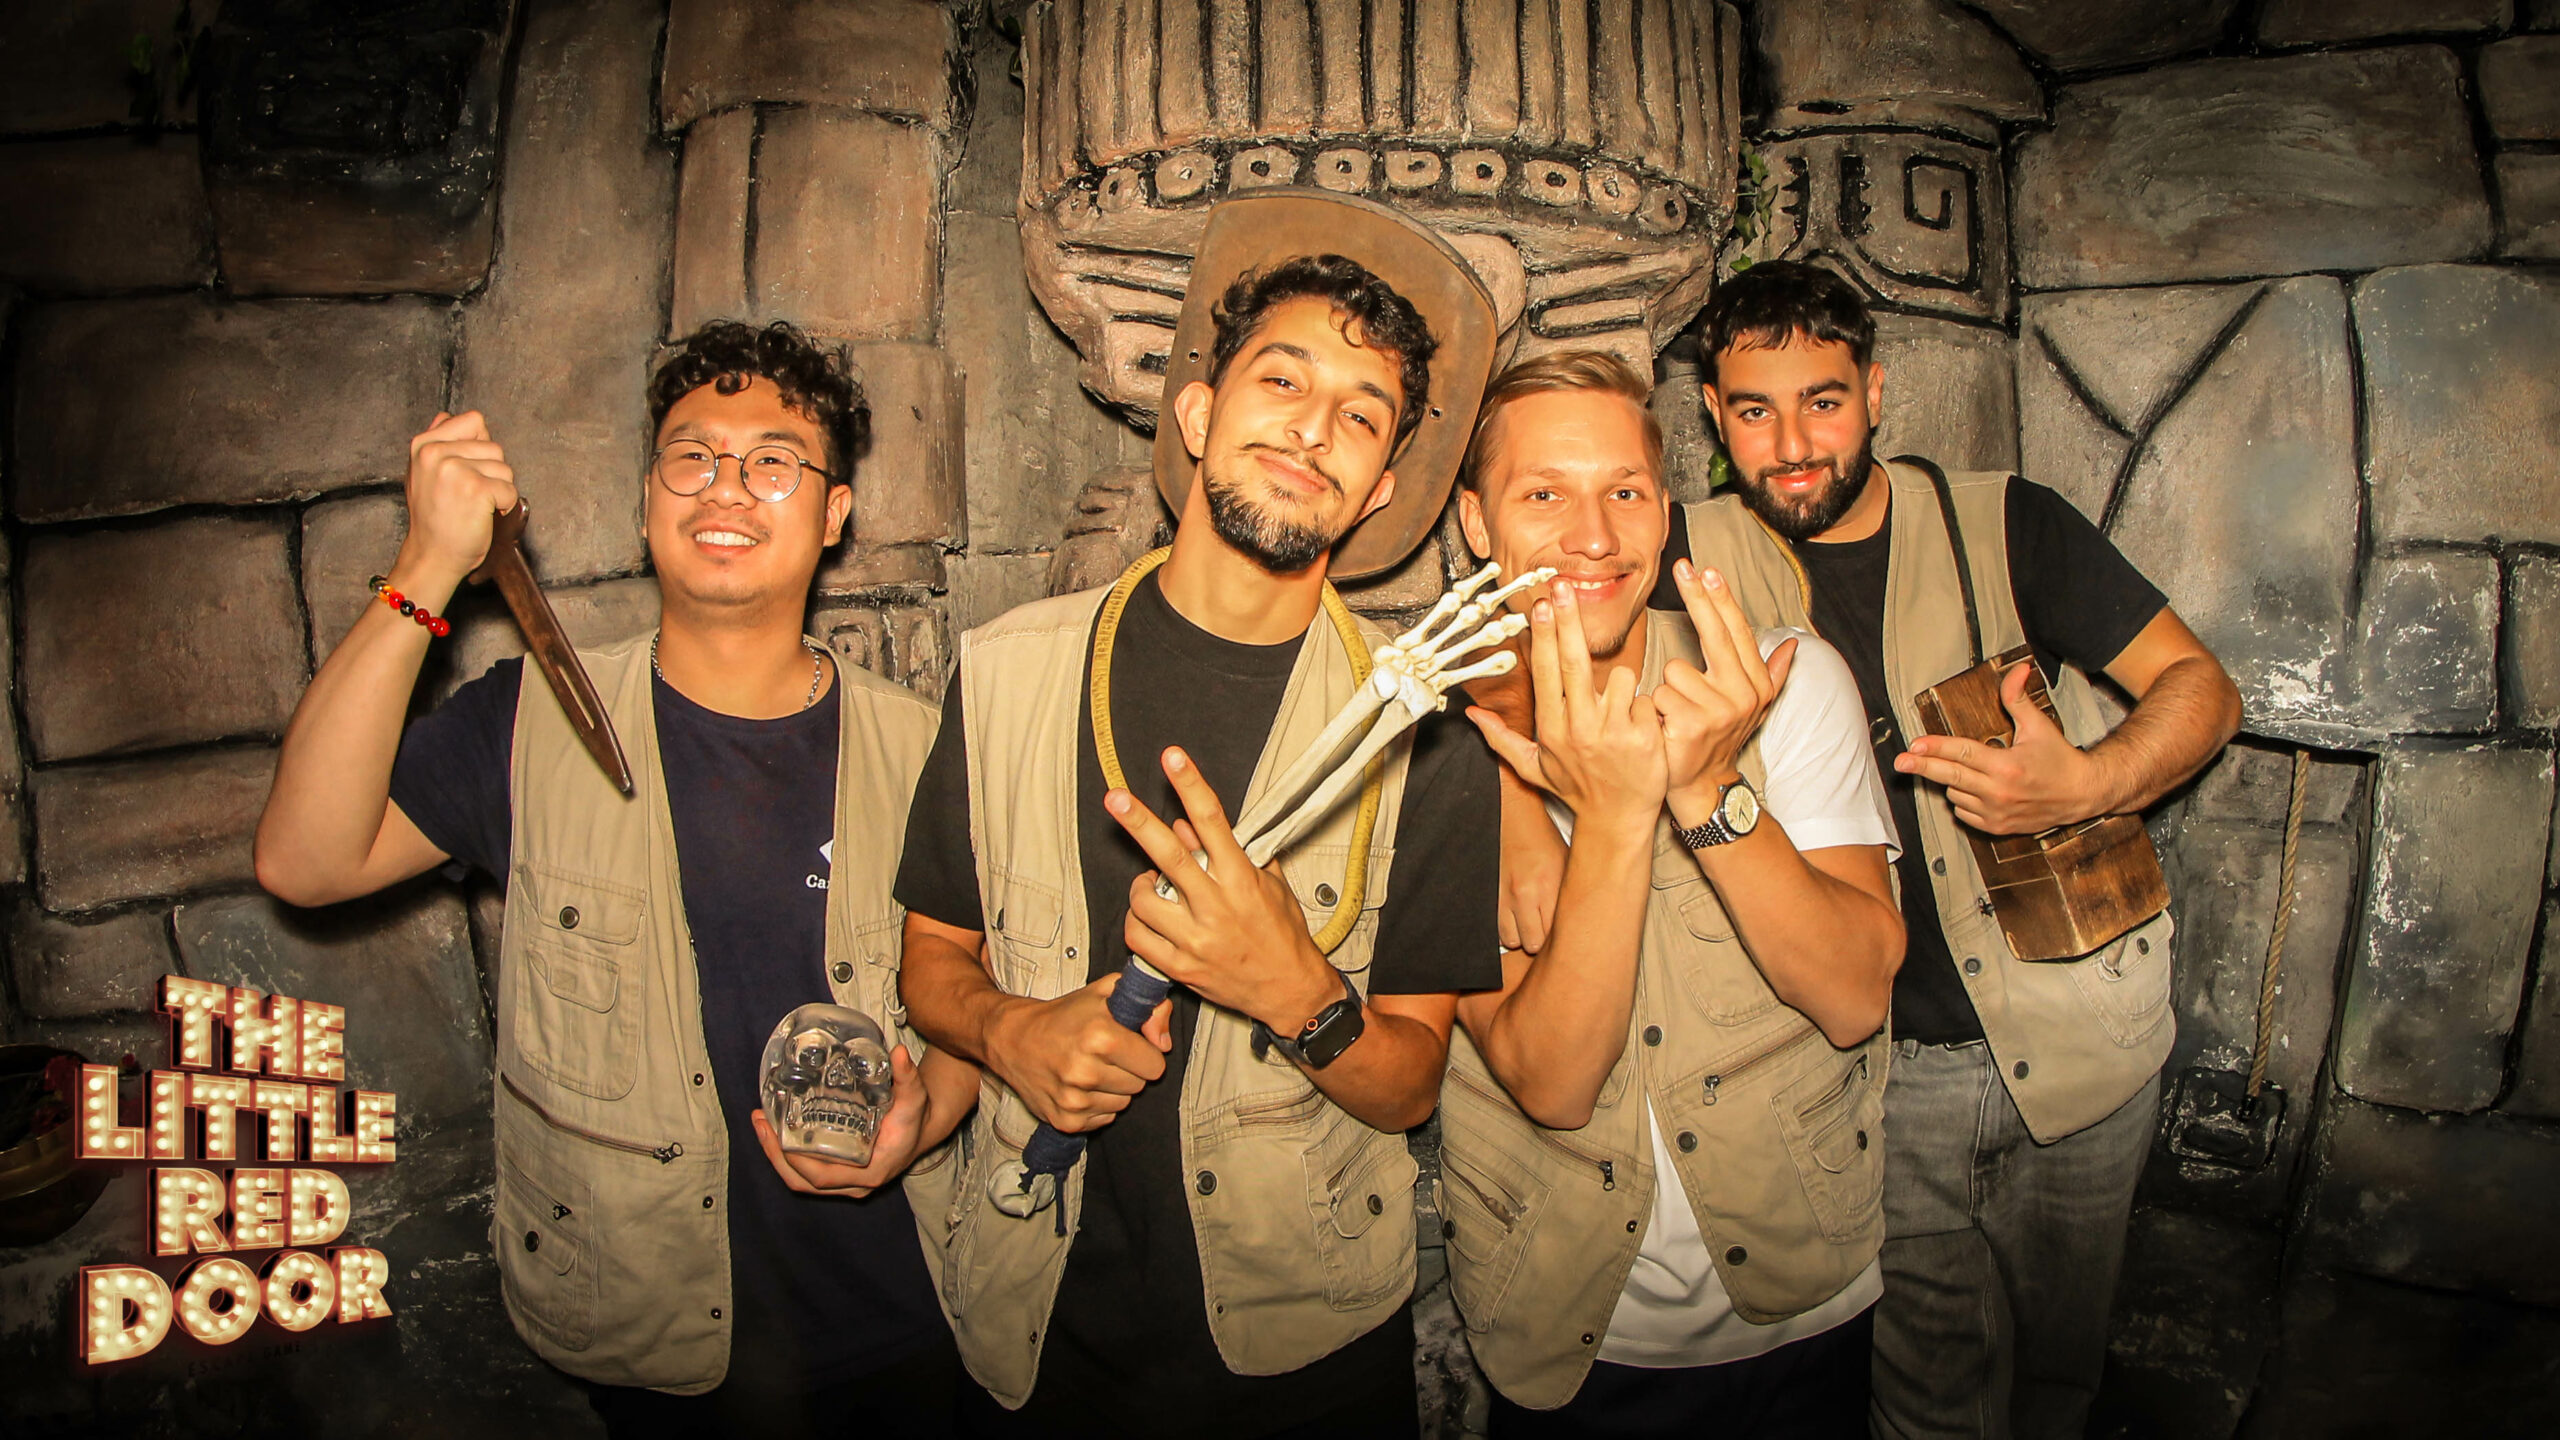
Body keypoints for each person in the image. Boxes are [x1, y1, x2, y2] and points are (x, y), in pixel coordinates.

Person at [252, 321, 976, 1436]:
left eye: (773, 461)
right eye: (692, 457)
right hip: (652, 1347)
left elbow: (979, 1010)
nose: (725, 486)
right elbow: (304, 861)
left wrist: (926, 1119)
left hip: (910, 1319)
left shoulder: (929, 750)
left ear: (834, 513)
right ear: (646, 504)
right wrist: (428, 565)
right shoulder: (527, 724)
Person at [891, 190, 1504, 1440]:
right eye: (1281, 382)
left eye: (1359, 416)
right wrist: (1011, 1032)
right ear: (1197, 413)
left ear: (1380, 489)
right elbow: (931, 963)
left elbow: (1408, 1085)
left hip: (1302, 1348)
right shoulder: (1005, 673)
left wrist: (1297, 990)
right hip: (1029, 1320)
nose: (1312, 430)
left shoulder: (1421, 732)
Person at [1662, 261, 2242, 1438]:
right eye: (1754, 410)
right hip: (1871, 1079)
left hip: (2083, 1045)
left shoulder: (2007, 520)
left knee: (2058, 1384)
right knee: (1926, 1406)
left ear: (1875, 394)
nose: (1792, 445)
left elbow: (2202, 689)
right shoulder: (1678, 559)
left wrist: (2087, 781)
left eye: (1823, 401)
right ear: (1713, 416)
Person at [1437, 350, 1905, 1437]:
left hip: (1804, 1299)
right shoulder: (1429, 750)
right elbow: (1552, 1081)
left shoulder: (1782, 680)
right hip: (1566, 1328)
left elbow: (1853, 998)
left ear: (1664, 508)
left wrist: (1704, 787)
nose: (1594, 538)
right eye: (1542, 495)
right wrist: (1607, 815)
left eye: (1625, 493)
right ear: (1474, 521)